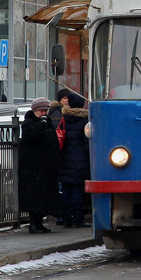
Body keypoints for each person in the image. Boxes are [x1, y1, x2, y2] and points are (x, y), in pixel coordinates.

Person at [19, 98, 60, 233]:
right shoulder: (29, 123)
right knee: (34, 198)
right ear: (35, 110)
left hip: (45, 167)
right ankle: (34, 224)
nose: (43, 113)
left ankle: (39, 223)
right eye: (41, 110)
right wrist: (41, 125)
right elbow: (30, 136)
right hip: (33, 167)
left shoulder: (46, 122)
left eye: (45, 110)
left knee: (43, 197)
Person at [55, 89, 91, 228]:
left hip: (65, 159)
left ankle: (66, 219)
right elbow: (87, 143)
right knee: (77, 191)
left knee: (65, 190)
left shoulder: (64, 119)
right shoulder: (84, 121)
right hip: (79, 161)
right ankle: (77, 218)